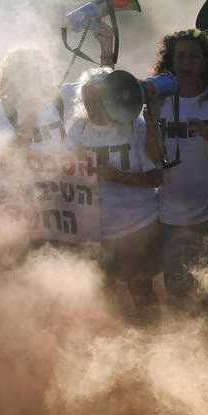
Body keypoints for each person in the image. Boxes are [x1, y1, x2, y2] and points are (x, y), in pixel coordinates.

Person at [146, 30, 208, 317]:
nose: (187, 62)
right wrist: (150, 119)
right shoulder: (160, 103)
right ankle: (186, 357)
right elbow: (154, 157)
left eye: (194, 56)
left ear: (206, 62)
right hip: (171, 219)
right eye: (180, 56)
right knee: (180, 297)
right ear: (170, 61)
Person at [68, 65, 161, 325]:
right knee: (106, 296)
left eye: (97, 98)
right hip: (96, 230)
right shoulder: (77, 130)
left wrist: (116, 176)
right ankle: (119, 352)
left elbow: (156, 177)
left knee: (141, 290)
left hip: (137, 224)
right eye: (86, 99)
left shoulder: (134, 127)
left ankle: (156, 345)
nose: (91, 105)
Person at [0, 48, 69, 153]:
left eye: (36, 70)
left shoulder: (59, 96)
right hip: (28, 167)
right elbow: (7, 152)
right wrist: (29, 120)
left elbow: (94, 86)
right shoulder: (3, 108)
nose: (32, 76)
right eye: (24, 72)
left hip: (63, 165)